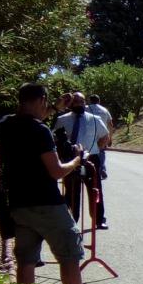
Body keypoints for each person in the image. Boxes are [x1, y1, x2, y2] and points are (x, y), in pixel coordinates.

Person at [0, 83, 108, 284]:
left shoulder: (5, 125)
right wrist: (77, 159)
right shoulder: (40, 132)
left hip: (19, 203)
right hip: (47, 204)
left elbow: (22, 117)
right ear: (40, 100)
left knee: (26, 260)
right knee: (69, 255)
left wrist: (56, 107)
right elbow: (56, 170)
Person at [53, 92, 110, 228]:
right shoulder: (62, 119)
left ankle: (99, 219)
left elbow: (105, 136)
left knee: (95, 190)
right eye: (76, 101)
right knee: (72, 191)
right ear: (71, 103)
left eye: (82, 101)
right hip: (71, 160)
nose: (79, 104)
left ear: (85, 103)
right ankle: (72, 221)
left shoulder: (95, 119)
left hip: (91, 159)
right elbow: (55, 137)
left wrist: (97, 148)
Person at [86, 95, 113, 178]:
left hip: (89, 134)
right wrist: (110, 138)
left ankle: (90, 170)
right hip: (102, 134)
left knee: (88, 153)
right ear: (99, 101)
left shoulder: (86, 108)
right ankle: (102, 169)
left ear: (90, 101)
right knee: (101, 152)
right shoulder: (105, 110)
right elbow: (110, 124)